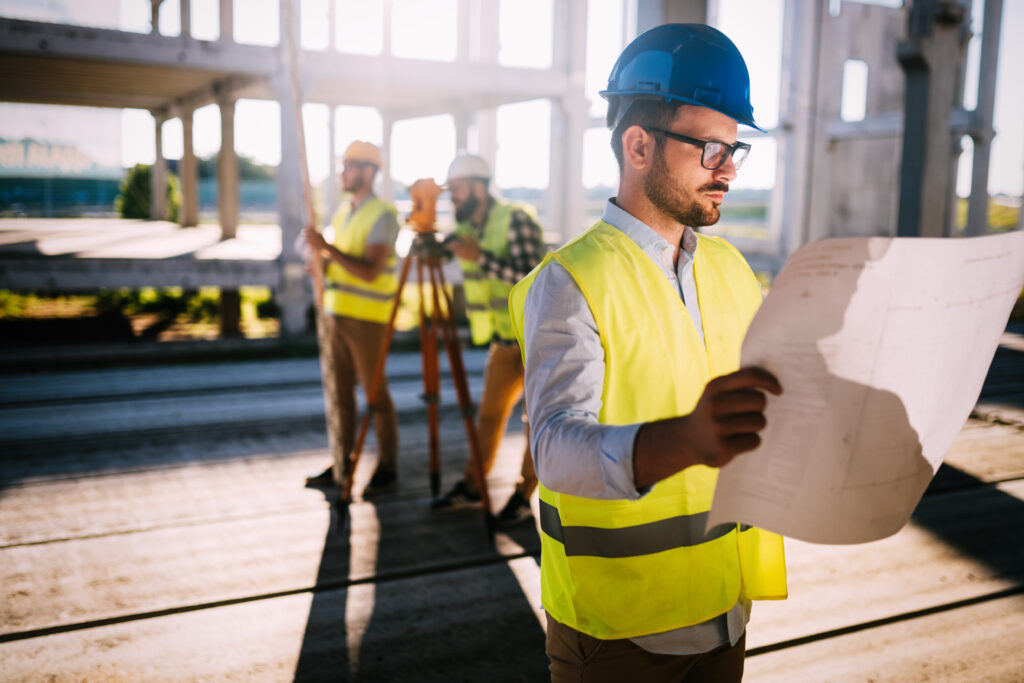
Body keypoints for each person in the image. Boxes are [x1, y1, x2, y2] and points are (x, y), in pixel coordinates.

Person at [507, 24, 787, 681]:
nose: (731, 167)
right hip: (618, 641)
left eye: (735, 146)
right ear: (638, 145)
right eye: (712, 146)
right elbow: (554, 451)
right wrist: (688, 437)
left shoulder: (731, 270)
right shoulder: (571, 280)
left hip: (727, 616)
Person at [431, 153, 546, 527]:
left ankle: (524, 495)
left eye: (459, 190)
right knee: (489, 417)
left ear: (480, 188)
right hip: (503, 340)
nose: (454, 198)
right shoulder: (467, 231)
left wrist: (481, 257)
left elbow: (536, 274)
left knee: (536, 422)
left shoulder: (515, 219)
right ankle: (473, 485)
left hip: (538, 339)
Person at [303, 141, 401, 497]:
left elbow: (370, 271)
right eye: (343, 166)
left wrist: (326, 249)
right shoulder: (344, 213)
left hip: (367, 321)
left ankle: (388, 467)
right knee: (340, 396)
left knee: (375, 396)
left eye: (349, 166)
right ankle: (342, 464)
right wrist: (322, 262)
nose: (342, 173)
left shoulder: (384, 215)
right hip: (337, 315)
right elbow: (344, 263)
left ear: (369, 171)